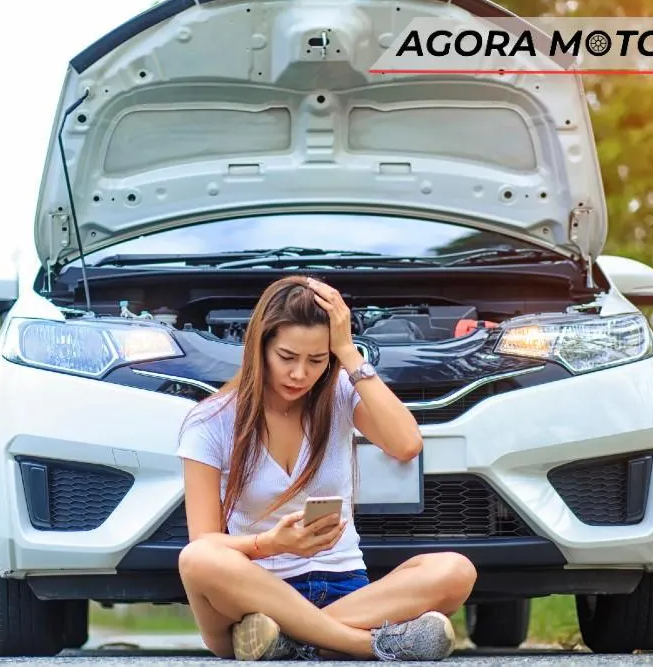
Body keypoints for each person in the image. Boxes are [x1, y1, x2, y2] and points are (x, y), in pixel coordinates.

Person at [175, 275, 477, 662]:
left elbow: (406, 444)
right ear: (259, 347)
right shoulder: (210, 421)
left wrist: (349, 352)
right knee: (198, 560)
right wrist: (271, 545)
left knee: (456, 570)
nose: (300, 374)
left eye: (317, 360)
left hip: (344, 592)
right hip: (255, 598)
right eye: (287, 357)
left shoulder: (339, 393)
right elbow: (204, 542)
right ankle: (367, 645)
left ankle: (290, 641)